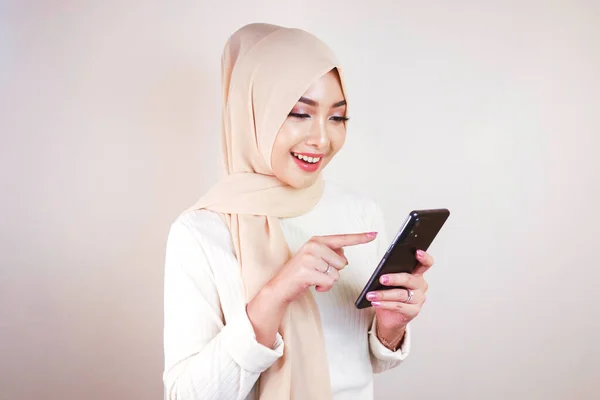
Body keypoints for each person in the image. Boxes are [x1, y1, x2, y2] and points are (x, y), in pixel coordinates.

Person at [162, 23, 435, 400]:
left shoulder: (359, 213)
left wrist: (390, 327)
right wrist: (275, 295)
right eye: (299, 113)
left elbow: (369, 362)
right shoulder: (200, 231)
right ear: (254, 112)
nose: (322, 139)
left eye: (337, 117)